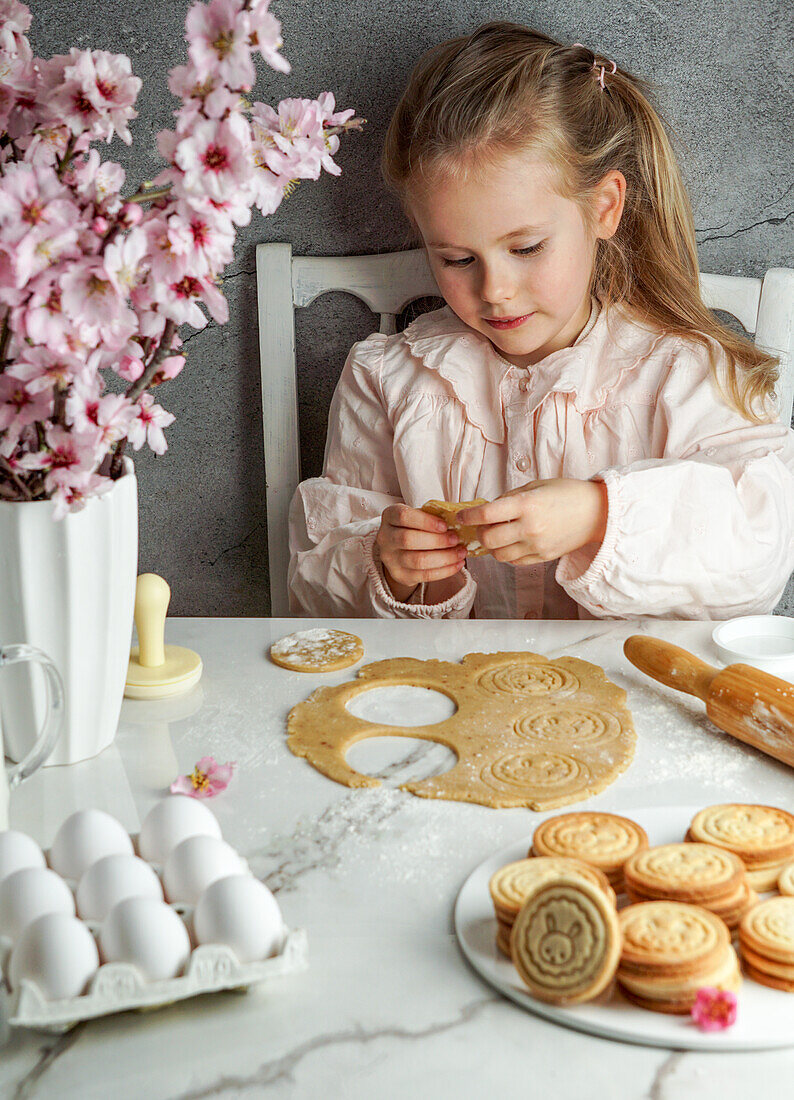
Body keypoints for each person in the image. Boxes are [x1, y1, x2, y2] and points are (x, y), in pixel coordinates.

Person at [288, 23, 794, 620]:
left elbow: (758, 555)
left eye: (526, 248)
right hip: (452, 702)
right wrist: (391, 565)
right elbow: (316, 584)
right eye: (455, 259)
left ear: (604, 208)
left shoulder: (687, 374)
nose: (494, 290)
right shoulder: (389, 379)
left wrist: (599, 515)